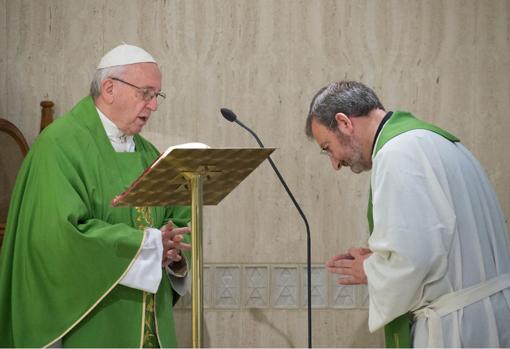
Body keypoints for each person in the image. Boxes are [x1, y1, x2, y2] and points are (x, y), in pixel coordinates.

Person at [0, 44, 192, 347]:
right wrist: (149, 244)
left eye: (157, 96)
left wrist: (174, 252)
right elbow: (59, 237)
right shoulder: (59, 146)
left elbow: (177, 220)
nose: (153, 106)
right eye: (146, 93)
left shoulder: (148, 154)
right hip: (92, 326)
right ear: (110, 88)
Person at [305, 81, 510, 347]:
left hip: (456, 330)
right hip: (491, 316)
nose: (334, 164)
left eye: (327, 148)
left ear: (344, 123)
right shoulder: (437, 142)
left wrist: (370, 269)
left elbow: (414, 261)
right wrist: (384, 257)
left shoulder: (396, 154)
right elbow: (442, 241)